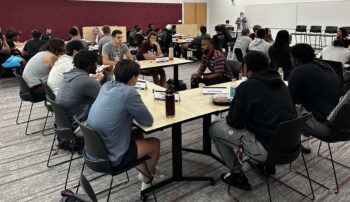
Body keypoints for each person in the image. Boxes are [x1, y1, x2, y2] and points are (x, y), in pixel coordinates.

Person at [209, 50, 297, 190]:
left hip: (269, 151)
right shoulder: (281, 83)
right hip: (292, 147)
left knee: (214, 128)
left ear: (247, 68)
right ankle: (267, 167)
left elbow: (234, 122)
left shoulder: (247, 86)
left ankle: (237, 175)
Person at [87, 59, 161, 191]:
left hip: (95, 149)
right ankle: (149, 176)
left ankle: (145, 172)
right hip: (112, 156)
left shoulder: (106, 86)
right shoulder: (129, 93)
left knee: (137, 133)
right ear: (133, 78)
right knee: (155, 143)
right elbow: (148, 121)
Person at [289, 44, 343, 153]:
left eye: (291, 57)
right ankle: (304, 141)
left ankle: (285, 147)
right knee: (307, 105)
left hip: (325, 128)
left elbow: (290, 102)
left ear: (297, 60)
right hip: (340, 124)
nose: (290, 60)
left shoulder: (298, 72)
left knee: (284, 108)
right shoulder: (326, 67)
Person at [56, 50, 104, 129]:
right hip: (79, 124)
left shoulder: (70, 74)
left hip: (65, 122)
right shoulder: (87, 82)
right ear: (89, 65)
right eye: (95, 63)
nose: (96, 65)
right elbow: (107, 99)